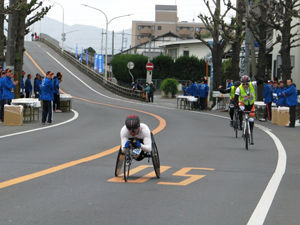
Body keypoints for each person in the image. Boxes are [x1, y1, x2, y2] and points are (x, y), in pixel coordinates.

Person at [234, 75, 263, 145]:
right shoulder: (239, 89)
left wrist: (258, 78)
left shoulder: (252, 84)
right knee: (242, 110)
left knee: (251, 120)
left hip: (251, 104)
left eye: (247, 83)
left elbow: (261, 82)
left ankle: (251, 132)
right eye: (243, 84)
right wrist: (237, 107)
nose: (245, 85)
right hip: (243, 104)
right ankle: (241, 124)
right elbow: (236, 99)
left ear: (249, 82)